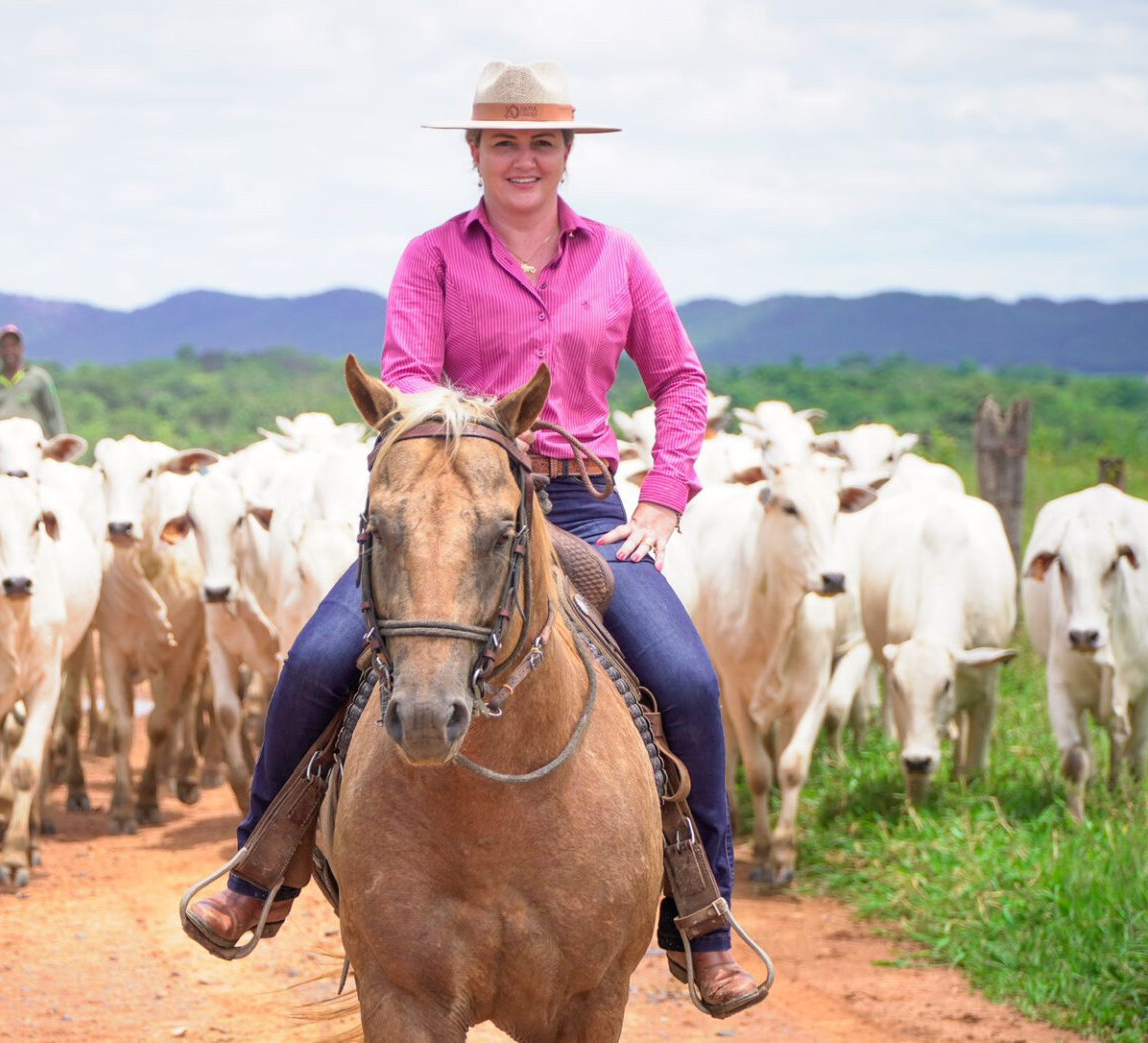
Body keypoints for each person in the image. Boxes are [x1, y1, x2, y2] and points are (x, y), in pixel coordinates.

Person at [186, 60, 762, 1015]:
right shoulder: (432, 257)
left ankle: (705, 926)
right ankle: (257, 873)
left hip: (578, 508)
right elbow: (410, 378)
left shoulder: (617, 257)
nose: (523, 158)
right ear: (476, 153)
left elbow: (682, 383)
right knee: (319, 656)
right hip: (453, 497)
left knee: (689, 682)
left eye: (541, 142)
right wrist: (474, 455)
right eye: (504, 141)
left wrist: (662, 497)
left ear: (568, 154)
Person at [0, 323, 67, 437]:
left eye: (13, 345)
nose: (9, 350)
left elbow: (53, 416)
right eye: (4, 346)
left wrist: (59, 441)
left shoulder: (39, 378)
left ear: (22, 349)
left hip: (32, 444)